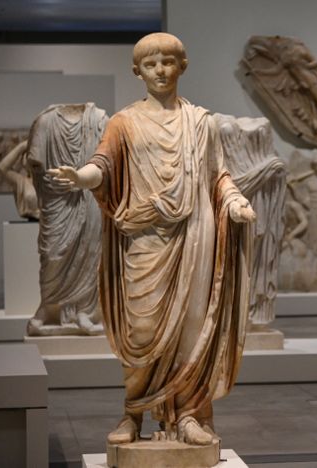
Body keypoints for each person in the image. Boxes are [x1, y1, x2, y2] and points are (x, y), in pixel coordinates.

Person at [48, 32, 256, 446]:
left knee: (193, 329)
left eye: (168, 61)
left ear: (183, 65)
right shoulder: (123, 122)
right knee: (141, 331)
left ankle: (190, 416)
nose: (160, 70)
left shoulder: (202, 123)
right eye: (150, 64)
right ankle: (134, 413)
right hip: (143, 238)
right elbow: (101, 166)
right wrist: (80, 178)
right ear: (136, 71)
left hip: (196, 236)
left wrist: (234, 201)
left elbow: (219, 174)